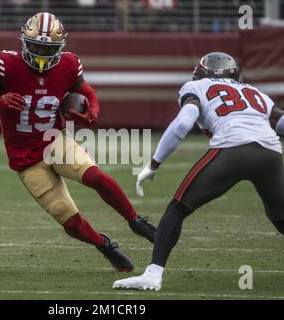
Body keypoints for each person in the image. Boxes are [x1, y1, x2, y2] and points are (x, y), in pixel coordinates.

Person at [0, 12, 156, 272]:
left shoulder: (69, 65)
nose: (40, 53)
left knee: (96, 177)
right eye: (36, 46)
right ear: (24, 43)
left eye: (47, 48)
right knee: (68, 218)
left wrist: (92, 111)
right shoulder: (7, 64)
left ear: (60, 48)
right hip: (24, 156)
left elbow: (85, 92)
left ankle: (136, 221)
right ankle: (104, 245)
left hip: (54, 141)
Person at [113, 52, 284, 290]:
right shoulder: (255, 92)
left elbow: (183, 123)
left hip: (231, 150)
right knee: (279, 216)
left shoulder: (196, 86)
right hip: (270, 154)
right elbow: (281, 123)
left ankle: (153, 275)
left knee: (178, 208)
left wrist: (154, 164)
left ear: (202, 72)